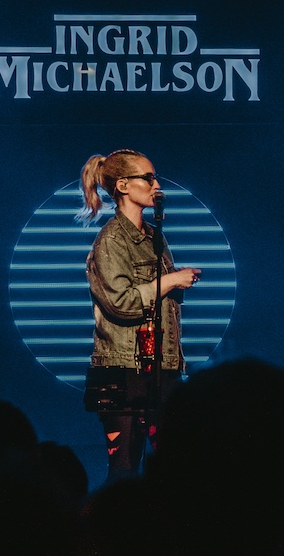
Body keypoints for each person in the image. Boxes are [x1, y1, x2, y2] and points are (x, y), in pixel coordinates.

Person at [76, 149, 202, 483]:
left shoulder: (154, 237)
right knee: (125, 470)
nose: (156, 184)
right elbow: (121, 302)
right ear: (123, 186)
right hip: (125, 372)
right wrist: (171, 280)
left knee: (172, 467)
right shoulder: (111, 241)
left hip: (161, 368)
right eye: (148, 177)